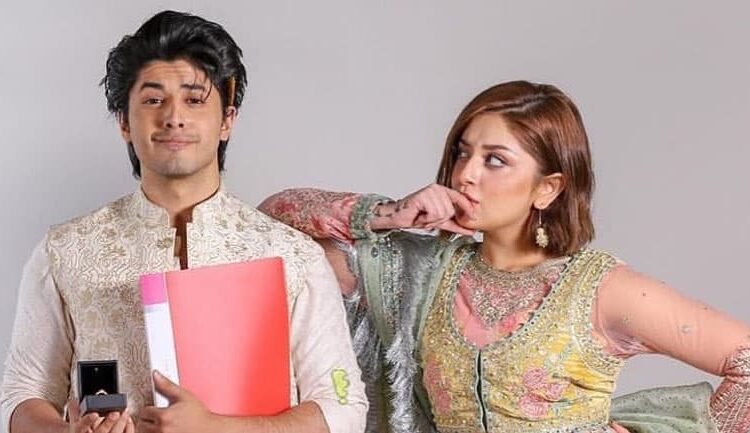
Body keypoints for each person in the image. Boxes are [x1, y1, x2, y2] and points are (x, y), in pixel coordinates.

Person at [259, 80, 750, 433]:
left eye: (495, 160)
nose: (466, 174)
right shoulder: (423, 273)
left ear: (547, 188)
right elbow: (275, 222)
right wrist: (392, 213)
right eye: (462, 152)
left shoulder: (596, 289)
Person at [1, 10, 366, 433]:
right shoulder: (65, 251)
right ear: (124, 121)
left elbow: (343, 407)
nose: (174, 117)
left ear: (227, 120)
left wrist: (216, 427)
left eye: (194, 100)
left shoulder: (293, 257)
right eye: (153, 100)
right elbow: (20, 394)